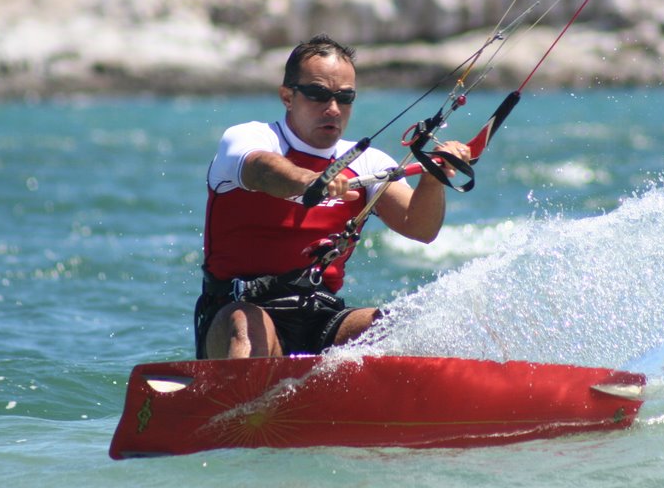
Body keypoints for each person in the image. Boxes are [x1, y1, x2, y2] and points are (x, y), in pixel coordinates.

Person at [195, 34, 471, 359]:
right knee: (247, 324)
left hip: (321, 317)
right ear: (287, 96)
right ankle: (241, 405)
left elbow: (419, 228)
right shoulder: (248, 138)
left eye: (345, 97)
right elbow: (263, 172)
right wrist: (313, 181)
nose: (333, 109)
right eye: (318, 95)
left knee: (397, 327)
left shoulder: (369, 162)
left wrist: (433, 180)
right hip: (236, 313)